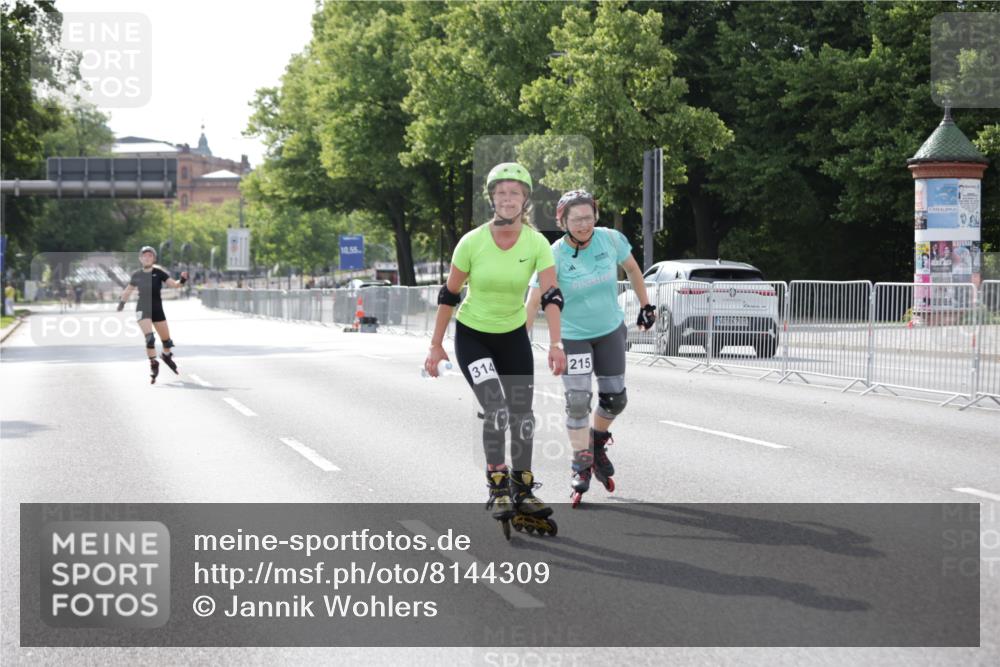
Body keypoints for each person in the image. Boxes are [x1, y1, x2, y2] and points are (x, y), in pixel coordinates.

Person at [423, 162, 567, 538]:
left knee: (522, 414)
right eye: (500, 193)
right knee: (497, 407)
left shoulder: (536, 243)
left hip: (513, 336)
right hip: (474, 336)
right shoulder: (472, 241)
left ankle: (523, 485)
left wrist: (555, 342)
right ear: (492, 199)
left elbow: (551, 295)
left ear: (524, 200)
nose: (507, 199)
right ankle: (498, 481)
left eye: (514, 193)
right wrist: (436, 345)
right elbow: (449, 294)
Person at [526, 189, 655, 507]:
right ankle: (581, 464)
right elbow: (532, 301)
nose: (585, 224)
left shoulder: (610, 239)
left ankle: (596, 441)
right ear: (562, 221)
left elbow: (634, 270)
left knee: (615, 399)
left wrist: (646, 306)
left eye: (589, 217)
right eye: (577, 219)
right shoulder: (552, 254)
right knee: (578, 402)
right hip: (572, 336)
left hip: (609, 330)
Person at [117, 246, 189, 384]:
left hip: (157, 309)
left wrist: (183, 280)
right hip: (142, 309)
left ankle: (166, 356)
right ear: (140, 258)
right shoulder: (137, 275)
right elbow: (128, 290)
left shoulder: (159, 272)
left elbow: (175, 285)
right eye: (144, 255)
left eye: (150, 256)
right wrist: (122, 303)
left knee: (166, 341)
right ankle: (153, 363)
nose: (147, 257)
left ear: (154, 258)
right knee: (149, 339)